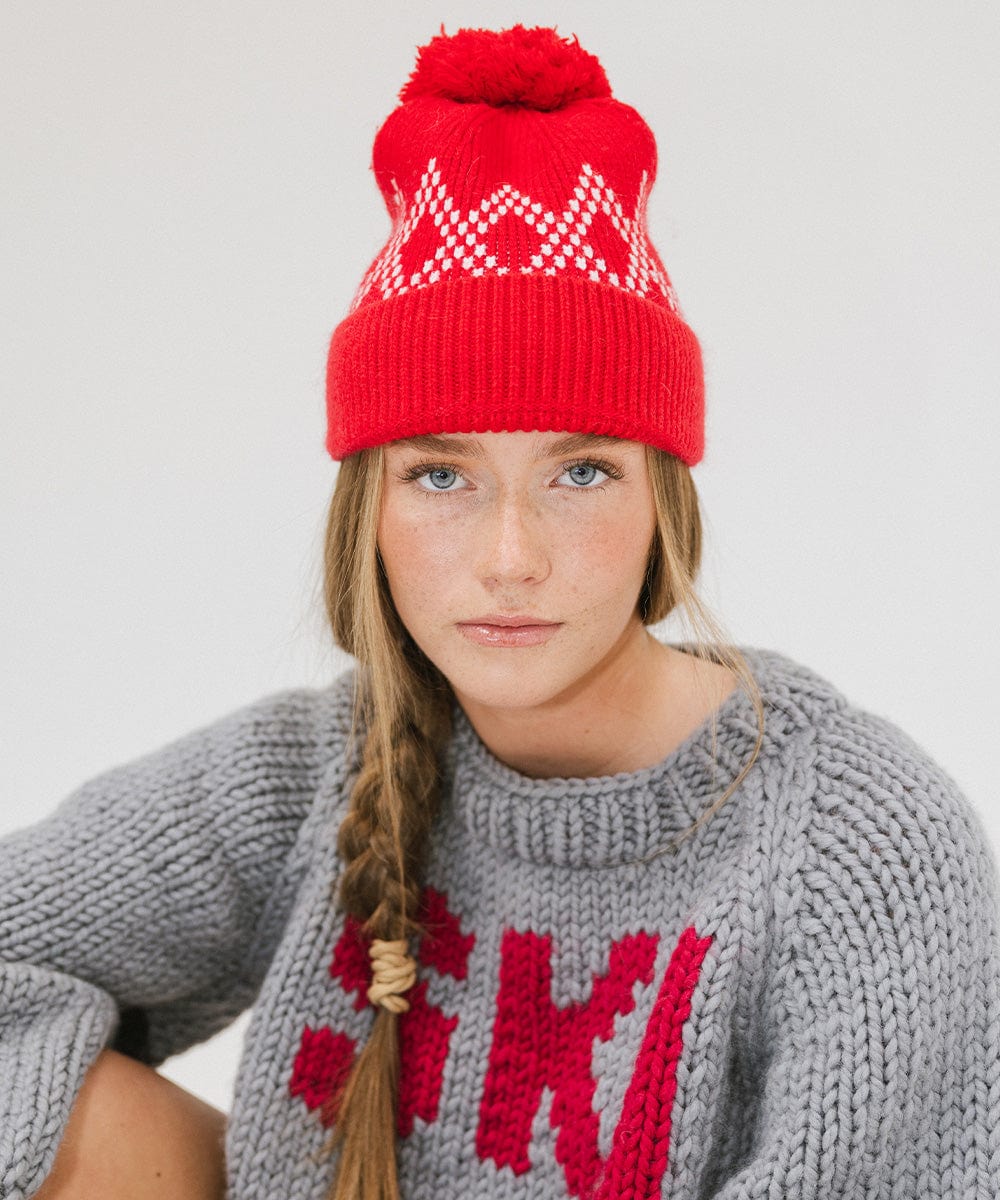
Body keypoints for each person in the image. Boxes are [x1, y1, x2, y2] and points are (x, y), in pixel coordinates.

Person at [3, 21, 999, 1200]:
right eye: (441, 477)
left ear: (661, 506)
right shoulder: (317, 768)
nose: (511, 558)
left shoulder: (858, 848)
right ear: (365, 510)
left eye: (581, 474)